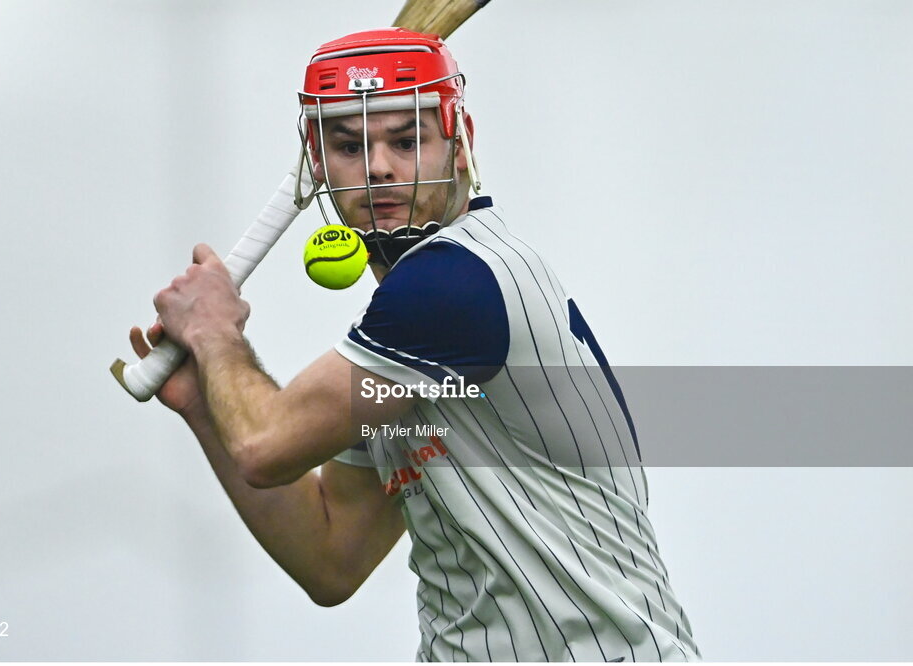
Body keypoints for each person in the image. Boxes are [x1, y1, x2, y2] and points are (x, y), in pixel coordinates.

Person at [130, 28, 701, 662]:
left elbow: (265, 449)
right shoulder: (395, 343)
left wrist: (213, 330)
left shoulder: (452, 283)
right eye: (350, 146)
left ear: (461, 146)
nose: (378, 167)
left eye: (407, 140)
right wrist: (206, 403)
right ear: (319, 167)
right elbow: (330, 557)